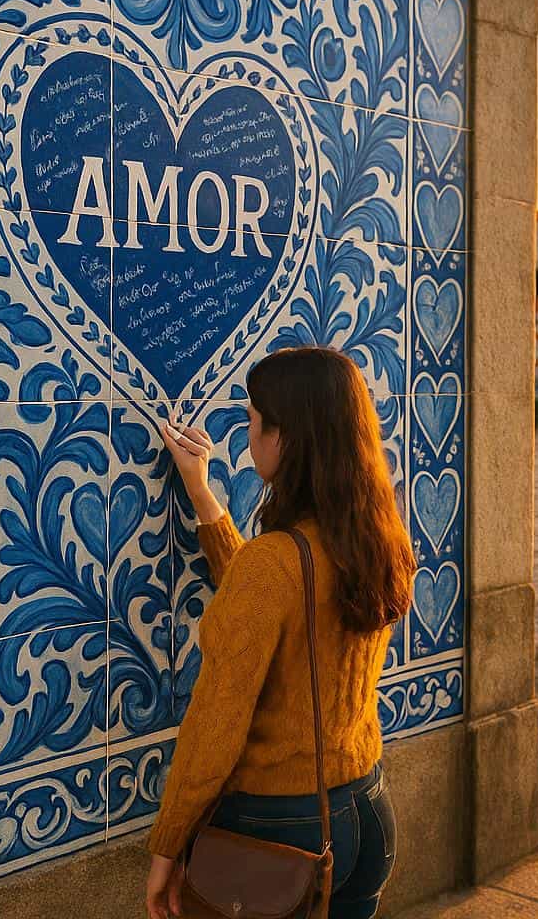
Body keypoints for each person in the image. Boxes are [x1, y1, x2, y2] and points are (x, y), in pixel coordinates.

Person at [143, 346, 414, 919]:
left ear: (285, 437)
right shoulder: (379, 539)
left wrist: (167, 844)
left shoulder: (276, 564)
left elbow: (217, 721)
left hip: (279, 827)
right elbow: (280, 595)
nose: (247, 434)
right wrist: (202, 492)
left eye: (251, 419)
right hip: (366, 810)